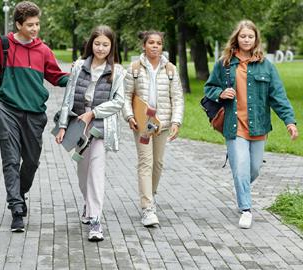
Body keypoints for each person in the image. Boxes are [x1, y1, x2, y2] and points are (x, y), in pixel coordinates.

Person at [204, 20, 298, 229]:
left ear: (256, 39)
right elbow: (209, 88)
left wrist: (289, 121)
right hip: (234, 125)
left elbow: (278, 96)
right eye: (243, 36)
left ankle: (241, 186)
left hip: (258, 126)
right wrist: (220, 93)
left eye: (250, 36)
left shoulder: (266, 66)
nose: (246, 40)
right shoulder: (225, 64)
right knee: (241, 168)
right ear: (236, 38)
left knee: (253, 168)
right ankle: (246, 209)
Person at [0, 1, 69, 232]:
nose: (35, 29)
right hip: (8, 110)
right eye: (30, 25)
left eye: (37, 24)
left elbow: (55, 75)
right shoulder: (3, 45)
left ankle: (20, 193)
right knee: (11, 159)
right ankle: (16, 209)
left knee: (31, 162)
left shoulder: (43, 50)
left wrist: (77, 76)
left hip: (35, 113)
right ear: (18, 24)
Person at [55, 25, 125, 242]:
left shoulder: (118, 71)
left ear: (112, 47)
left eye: (106, 44)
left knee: (96, 172)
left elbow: (119, 102)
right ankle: (88, 204)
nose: (101, 48)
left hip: (100, 126)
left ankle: (95, 219)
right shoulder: (78, 67)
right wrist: (63, 126)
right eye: (97, 44)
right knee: (82, 173)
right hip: (78, 124)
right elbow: (68, 98)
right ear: (90, 44)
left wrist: (94, 113)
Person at [122, 30, 184, 227]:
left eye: (158, 43)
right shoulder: (134, 69)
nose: (155, 46)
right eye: (151, 43)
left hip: (162, 124)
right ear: (144, 45)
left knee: (158, 163)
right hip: (142, 123)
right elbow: (125, 95)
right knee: (145, 162)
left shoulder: (171, 70)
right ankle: (147, 208)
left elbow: (178, 98)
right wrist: (129, 116)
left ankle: (151, 194)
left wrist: (176, 121)